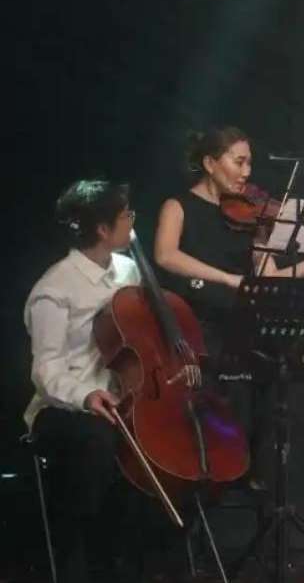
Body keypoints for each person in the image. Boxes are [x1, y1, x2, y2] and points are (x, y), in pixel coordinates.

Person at [153, 126, 304, 486]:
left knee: (274, 391)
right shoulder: (177, 206)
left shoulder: (251, 220)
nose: (246, 173)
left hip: (240, 326)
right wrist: (226, 278)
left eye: (249, 164)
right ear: (211, 163)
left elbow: (269, 278)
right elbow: (166, 256)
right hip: (194, 327)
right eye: (239, 162)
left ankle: (252, 478)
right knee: (219, 403)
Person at [25, 180, 139, 582]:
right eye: (126, 215)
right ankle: (83, 564)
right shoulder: (53, 289)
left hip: (118, 398)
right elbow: (46, 368)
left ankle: (139, 559)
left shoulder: (127, 270)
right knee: (97, 443)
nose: (132, 221)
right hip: (63, 408)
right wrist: (85, 394)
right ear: (103, 230)